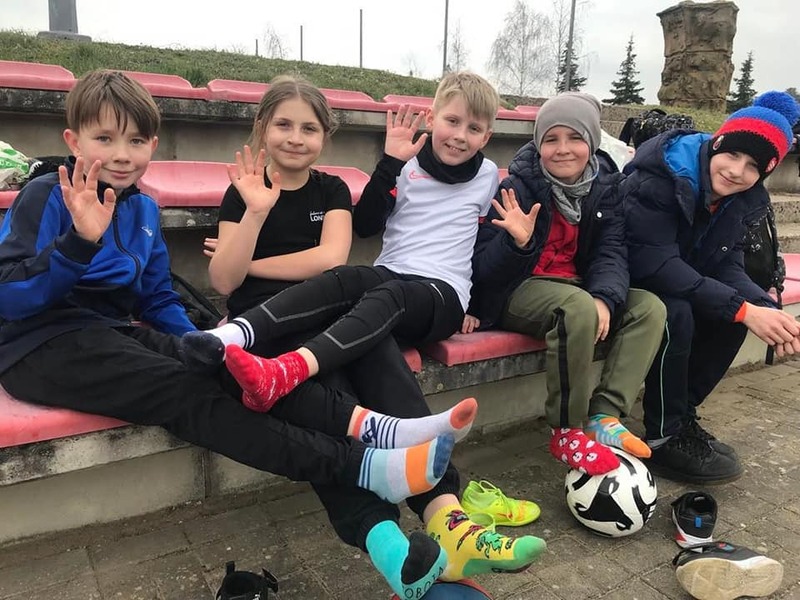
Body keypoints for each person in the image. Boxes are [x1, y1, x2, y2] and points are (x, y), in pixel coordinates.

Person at [0, 70, 467, 545]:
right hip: (38, 343)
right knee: (188, 390)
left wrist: (202, 344)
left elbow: (158, 297)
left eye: (136, 140)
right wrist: (77, 244)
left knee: (225, 366)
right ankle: (360, 463)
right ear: (73, 141)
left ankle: (400, 457)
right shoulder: (48, 195)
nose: (122, 154)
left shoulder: (141, 209)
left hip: (114, 333)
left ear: (152, 145)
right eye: (105, 138)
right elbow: (10, 296)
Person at [200, 75, 545, 595]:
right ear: (262, 127)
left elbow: (332, 260)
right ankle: (397, 550)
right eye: (284, 125)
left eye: (309, 128)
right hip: (274, 327)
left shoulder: (332, 190)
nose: (295, 137)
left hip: (339, 314)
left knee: (374, 340)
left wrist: (252, 263)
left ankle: (448, 520)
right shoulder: (243, 191)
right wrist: (255, 213)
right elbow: (225, 281)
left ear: (325, 136)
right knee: (337, 402)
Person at [179, 71, 501, 414]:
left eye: (473, 128)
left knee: (378, 303)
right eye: (452, 121)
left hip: (438, 291)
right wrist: (390, 164)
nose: (459, 135)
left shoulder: (487, 176)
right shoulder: (404, 167)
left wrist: (481, 308)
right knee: (358, 297)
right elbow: (367, 225)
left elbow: (480, 242)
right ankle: (234, 335)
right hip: (387, 277)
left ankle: (290, 367)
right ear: (433, 119)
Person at [470, 92, 667, 476]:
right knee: (577, 308)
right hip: (518, 288)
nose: (563, 149)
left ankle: (605, 415)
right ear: (538, 145)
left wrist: (604, 298)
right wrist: (517, 244)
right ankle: (566, 429)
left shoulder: (606, 187)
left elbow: (612, 251)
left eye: (574, 138)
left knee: (649, 308)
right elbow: (483, 270)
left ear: (591, 141)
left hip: (576, 285)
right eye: (551, 139)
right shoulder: (517, 186)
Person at [621, 91, 800, 484]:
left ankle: (681, 416)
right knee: (678, 313)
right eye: (733, 154)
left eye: (753, 166)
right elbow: (655, 264)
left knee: (732, 315)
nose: (737, 171)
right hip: (624, 278)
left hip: (674, 278)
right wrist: (743, 307)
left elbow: (727, 264)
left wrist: (763, 308)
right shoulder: (663, 175)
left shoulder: (741, 198)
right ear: (717, 143)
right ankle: (664, 434)